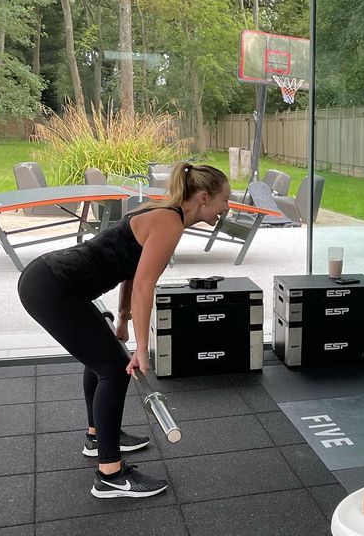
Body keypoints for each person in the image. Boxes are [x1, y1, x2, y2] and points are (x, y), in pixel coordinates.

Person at [18, 162, 231, 499]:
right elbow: (146, 285)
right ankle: (110, 475)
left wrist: (122, 320)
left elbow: (133, 272)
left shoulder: (164, 215)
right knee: (114, 370)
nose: (226, 208)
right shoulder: (169, 223)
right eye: (224, 201)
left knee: (101, 358)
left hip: (52, 280)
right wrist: (142, 350)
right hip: (53, 287)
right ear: (204, 198)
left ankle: (98, 435)